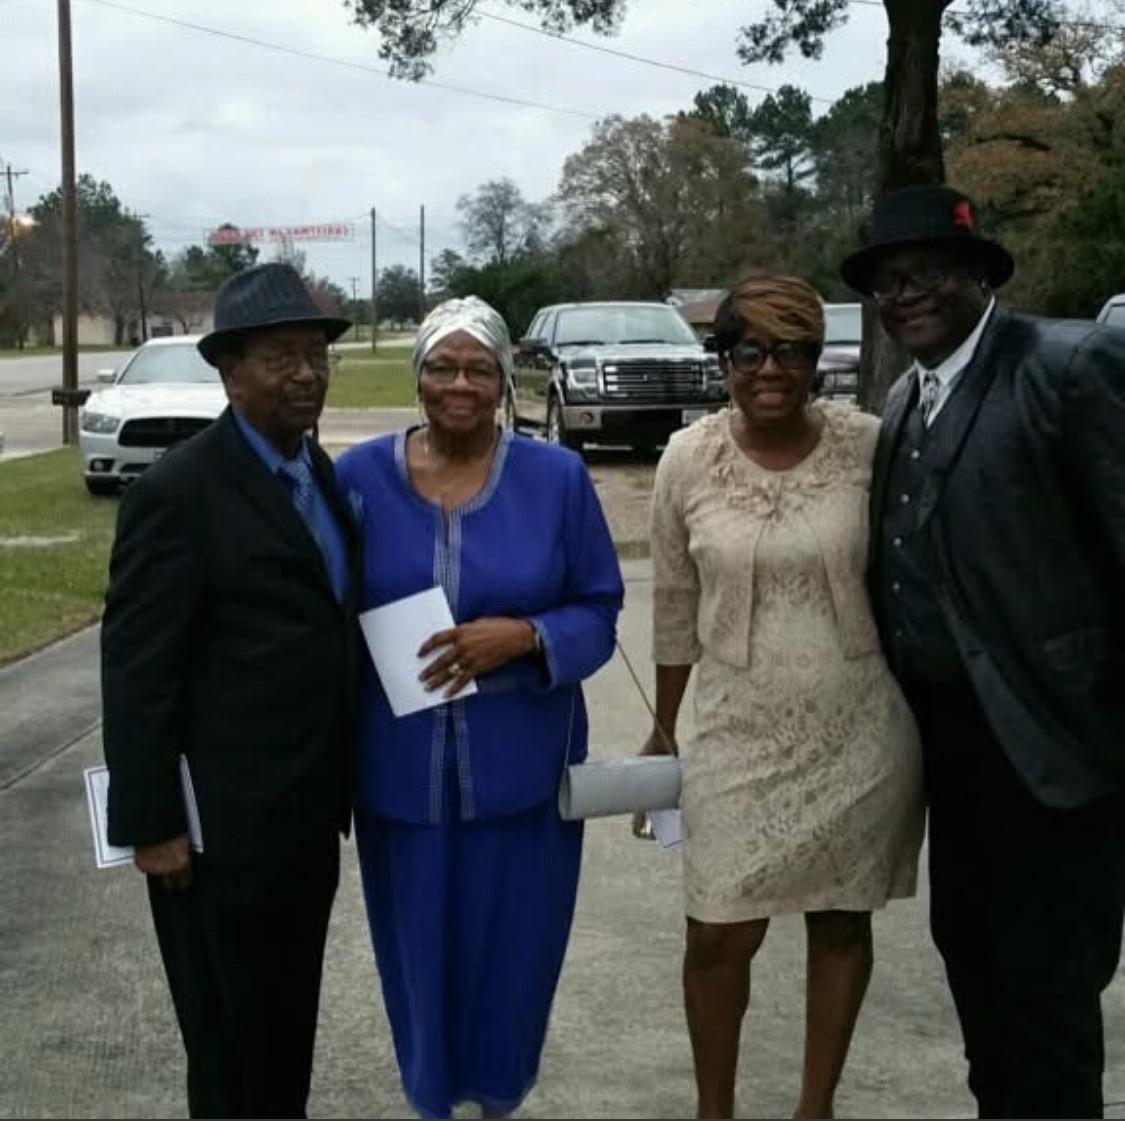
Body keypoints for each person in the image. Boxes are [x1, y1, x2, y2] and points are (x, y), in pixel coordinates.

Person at [844, 183, 1125, 1119]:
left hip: (1054, 748)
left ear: (978, 273)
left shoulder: (1068, 364)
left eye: (926, 271)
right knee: (975, 966)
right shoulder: (903, 398)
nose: (904, 293)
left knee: (1047, 994)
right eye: (887, 281)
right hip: (949, 752)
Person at [335, 296, 624, 1119]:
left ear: (503, 382)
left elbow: (599, 609)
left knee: (514, 956)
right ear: (417, 376)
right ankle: (430, 1097)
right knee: (417, 956)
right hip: (400, 779)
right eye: (441, 366)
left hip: (520, 777)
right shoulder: (357, 478)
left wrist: (527, 636)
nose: (458, 384)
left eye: (478, 369)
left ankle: (500, 1096)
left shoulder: (555, 479)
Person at [644, 273, 924, 1120]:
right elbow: (673, 603)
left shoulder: (869, 445)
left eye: (791, 351)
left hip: (858, 728)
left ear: (816, 360)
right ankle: (714, 1110)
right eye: (749, 352)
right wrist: (662, 727)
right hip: (735, 728)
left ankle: (814, 1107)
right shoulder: (686, 458)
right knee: (717, 930)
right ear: (722, 360)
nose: (769, 369)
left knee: (839, 922)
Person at [101, 262, 359, 1119]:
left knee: (283, 1034)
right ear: (229, 372)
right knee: (228, 1045)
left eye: (316, 356)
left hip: (304, 823)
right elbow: (136, 670)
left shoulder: (316, 472)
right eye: (282, 358)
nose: (306, 374)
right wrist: (152, 825)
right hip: (216, 839)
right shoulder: (177, 493)